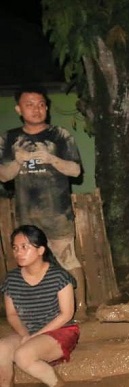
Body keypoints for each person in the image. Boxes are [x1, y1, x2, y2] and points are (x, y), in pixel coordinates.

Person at [0, 86, 87, 320]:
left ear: (46, 107)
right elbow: (4, 175)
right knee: (29, 265)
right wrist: (17, 162)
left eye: (41, 104)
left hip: (58, 213)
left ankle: (81, 311)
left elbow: (76, 170)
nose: (36, 109)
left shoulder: (60, 135)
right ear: (18, 108)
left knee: (68, 260)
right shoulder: (9, 138)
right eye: (29, 104)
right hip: (27, 216)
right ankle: (35, 314)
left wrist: (51, 158)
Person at [0, 225, 80, 387]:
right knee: (1, 350)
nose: (18, 252)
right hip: (28, 332)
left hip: (60, 331)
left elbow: (66, 315)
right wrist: (26, 335)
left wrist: (34, 336)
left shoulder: (59, 277)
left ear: (40, 250)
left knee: (23, 355)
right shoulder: (12, 279)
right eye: (15, 248)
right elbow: (12, 314)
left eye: (24, 247)